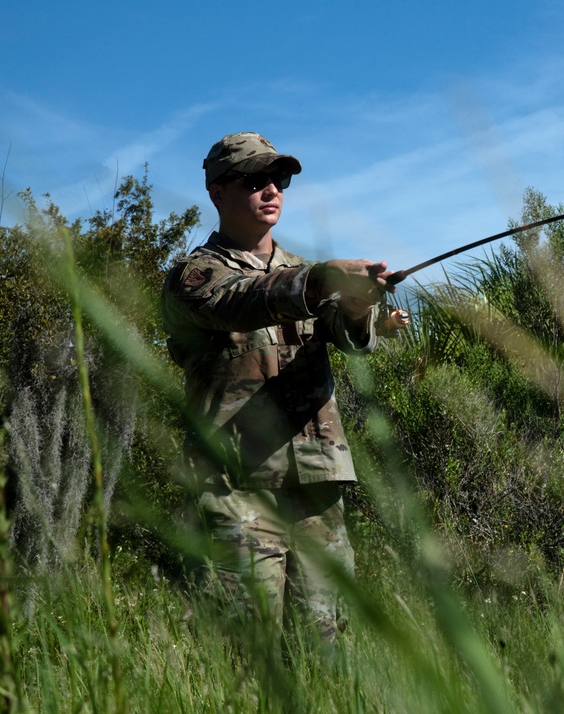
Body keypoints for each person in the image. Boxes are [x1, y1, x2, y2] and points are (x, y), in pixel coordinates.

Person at [162, 131, 401, 642]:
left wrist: (358, 305)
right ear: (217, 191)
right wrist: (320, 281)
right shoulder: (193, 275)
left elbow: (350, 338)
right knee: (247, 654)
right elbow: (240, 301)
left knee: (328, 645)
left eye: (280, 178)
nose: (272, 189)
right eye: (255, 179)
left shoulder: (303, 270)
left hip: (316, 483)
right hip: (234, 488)